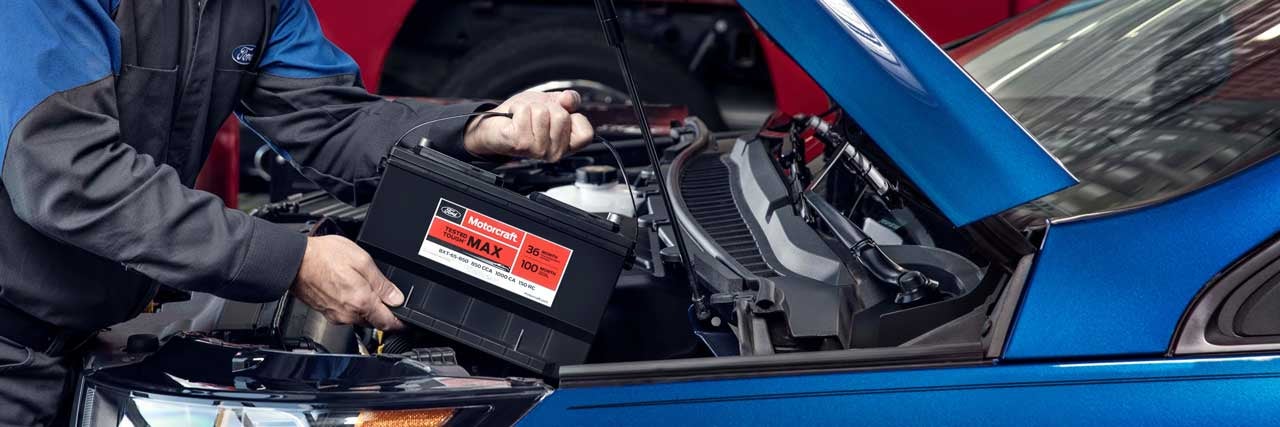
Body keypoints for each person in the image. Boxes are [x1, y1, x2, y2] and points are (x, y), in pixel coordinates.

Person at [0, 0, 594, 424]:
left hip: (67, 347)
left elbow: (331, 121)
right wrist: (292, 261)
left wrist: (477, 130)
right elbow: (69, 175)